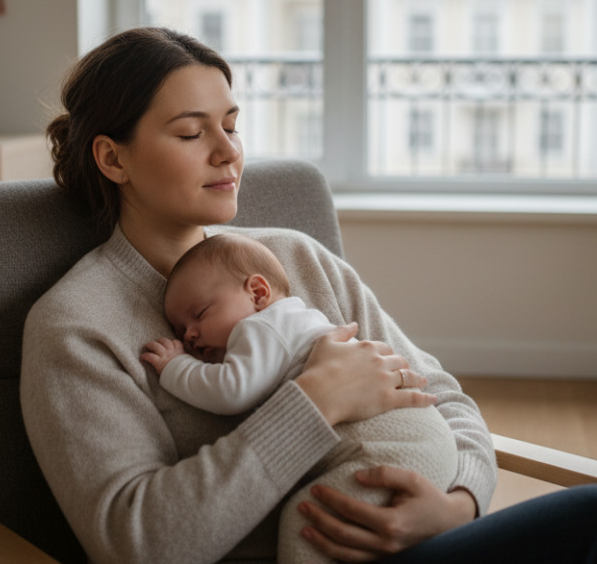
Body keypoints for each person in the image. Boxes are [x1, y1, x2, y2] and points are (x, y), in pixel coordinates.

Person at [20, 25, 597, 564]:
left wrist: (458, 503)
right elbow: (137, 541)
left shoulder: (292, 259)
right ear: (113, 159)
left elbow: (445, 399)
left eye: (232, 124)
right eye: (193, 133)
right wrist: (313, 402)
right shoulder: (78, 326)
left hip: (421, 542)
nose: (228, 152)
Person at [143, 233, 459, 564]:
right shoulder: (298, 319)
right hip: (426, 439)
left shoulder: (259, 329)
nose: (190, 334)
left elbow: (231, 390)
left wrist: (175, 366)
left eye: (200, 313)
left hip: (391, 447)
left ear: (258, 293)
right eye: (180, 331)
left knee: (307, 520)